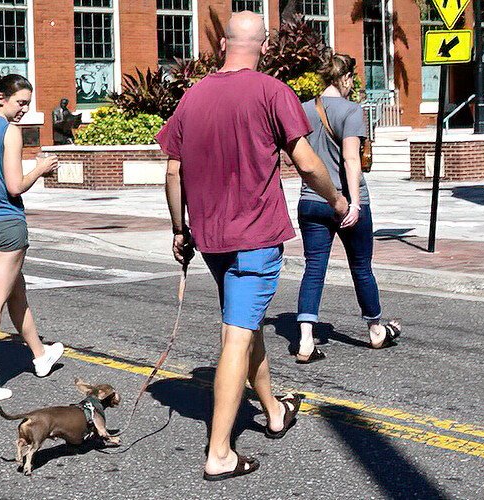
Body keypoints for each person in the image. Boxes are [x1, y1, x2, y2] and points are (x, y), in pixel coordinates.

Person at [157, 11, 353, 481]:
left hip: (210, 237)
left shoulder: (194, 95)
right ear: (263, 46)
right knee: (237, 335)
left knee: (246, 323)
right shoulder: (272, 91)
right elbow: (305, 163)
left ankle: (273, 411)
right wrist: (337, 197)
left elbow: (173, 170)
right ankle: (220, 452)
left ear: (223, 44)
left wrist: (179, 230)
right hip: (254, 235)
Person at [0, 74, 66, 404]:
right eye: (20, 103)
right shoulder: (9, 132)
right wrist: (41, 168)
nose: (24, 110)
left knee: (15, 292)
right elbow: (15, 186)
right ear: (1, 98)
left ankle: (40, 355)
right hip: (5, 226)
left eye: (28, 104)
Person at [294, 53, 401, 363]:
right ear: (344, 78)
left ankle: (304, 340)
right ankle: (376, 329)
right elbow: (351, 159)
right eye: (352, 78)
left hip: (311, 199)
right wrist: (353, 203)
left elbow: (298, 158)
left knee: (314, 269)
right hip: (346, 200)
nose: (353, 84)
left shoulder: (303, 110)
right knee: (361, 267)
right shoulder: (352, 111)